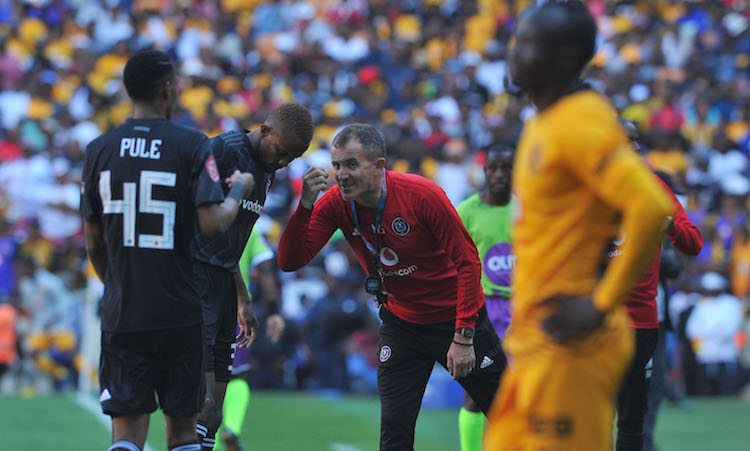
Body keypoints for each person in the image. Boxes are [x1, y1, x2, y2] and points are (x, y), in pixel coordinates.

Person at [484, 2, 673, 450]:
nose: (515, 53)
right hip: (534, 337)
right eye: (517, 40)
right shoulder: (545, 119)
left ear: (567, 58)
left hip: (569, 342)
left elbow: (650, 204)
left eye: (530, 44)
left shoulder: (581, 120)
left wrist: (601, 302)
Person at [277, 123, 505, 450]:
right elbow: (290, 261)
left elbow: (468, 262)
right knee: (394, 437)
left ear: (379, 166)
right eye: (337, 164)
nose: (341, 174)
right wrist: (305, 207)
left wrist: (464, 336)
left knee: (511, 418)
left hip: (454, 320)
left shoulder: (422, 195)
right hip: (402, 325)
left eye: (351, 164)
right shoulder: (336, 203)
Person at [81, 49, 254, 451]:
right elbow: (213, 226)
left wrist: (118, 284)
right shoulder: (193, 145)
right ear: (165, 89)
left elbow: (93, 241)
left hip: (125, 309)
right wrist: (241, 189)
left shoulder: (99, 150)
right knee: (182, 435)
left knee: (126, 434)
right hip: (180, 307)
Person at [192, 103, 313, 451]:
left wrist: (242, 299)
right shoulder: (221, 151)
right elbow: (197, 226)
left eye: (292, 157)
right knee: (202, 406)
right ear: (265, 131)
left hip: (224, 294)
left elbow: (233, 244)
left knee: (215, 414)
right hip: (195, 289)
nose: (284, 161)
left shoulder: (266, 170)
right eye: (282, 151)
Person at [612, 126, 703, 451]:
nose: (635, 149)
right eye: (626, 142)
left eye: (637, 141)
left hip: (642, 322)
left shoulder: (654, 187)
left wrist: (666, 223)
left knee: (633, 423)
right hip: (595, 323)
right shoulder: (585, 188)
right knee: (588, 420)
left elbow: (693, 243)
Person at [455, 144, 515, 451]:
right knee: (477, 393)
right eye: (494, 168)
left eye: (507, 168)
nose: (500, 175)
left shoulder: (527, 210)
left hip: (522, 309)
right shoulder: (466, 211)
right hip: (484, 309)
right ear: (485, 171)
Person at [215, 229, 276, 451]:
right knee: (237, 376)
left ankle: (206, 443)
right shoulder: (249, 225)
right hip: (237, 312)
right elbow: (265, 267)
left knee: (203, 378)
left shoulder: (199, 213)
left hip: (198, 306)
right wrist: (274, 311)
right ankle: (231, 427)